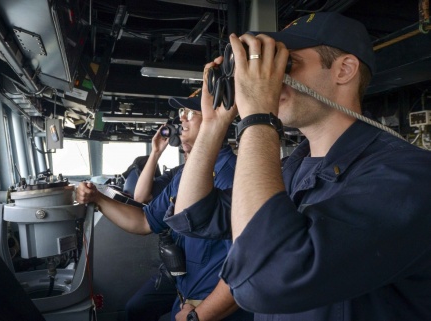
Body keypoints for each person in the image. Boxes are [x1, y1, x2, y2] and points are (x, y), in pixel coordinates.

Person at [171, 12, 431, 321]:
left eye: (285, 63)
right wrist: (213, 126)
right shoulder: (290, 170)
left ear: (344, 70)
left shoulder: (406, 177)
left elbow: (264, 281)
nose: (270, 76)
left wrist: (258, 117)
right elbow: (194, 216)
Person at [76, 90, 253, 321]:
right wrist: (97, 198)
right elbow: (143, 221)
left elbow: (247, 267)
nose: (182, 119)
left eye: (191, 112)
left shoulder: (233, 177)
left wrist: (198, 316)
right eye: (182, 111)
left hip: (213, 312)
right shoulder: (185, 177)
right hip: (184, 301)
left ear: (216, 118)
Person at [125, 126, 183, 321]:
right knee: (136, 309)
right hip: (174, 266)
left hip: (200, 266)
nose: (182, 123)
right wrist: (155, 152)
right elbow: (141, 196)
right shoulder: (179, 173)